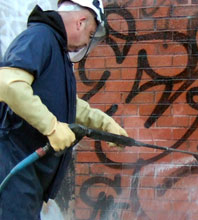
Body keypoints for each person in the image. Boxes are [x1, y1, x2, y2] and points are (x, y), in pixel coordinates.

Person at [0, 0, 128, 219]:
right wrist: (51, 127)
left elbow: (63, 101)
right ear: (80, 22)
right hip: (14, 168)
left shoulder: (55, 49)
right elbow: (8, 84)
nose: (85, 46)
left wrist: (104, 123)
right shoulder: (40, 37)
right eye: (90, 36)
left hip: (27, 176)